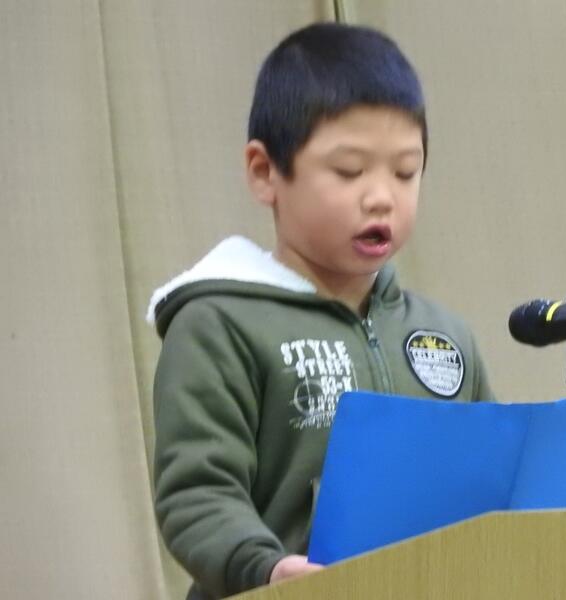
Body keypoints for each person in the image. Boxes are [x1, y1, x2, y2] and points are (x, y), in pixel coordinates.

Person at [147, 22, 494, 600]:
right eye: (349, 171)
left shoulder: (446, 336)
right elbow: (198, 492)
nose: (381, 196)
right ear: (265, 173)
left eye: (405, 172)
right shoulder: (218, 325)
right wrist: (266, 569)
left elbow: (487, 484)